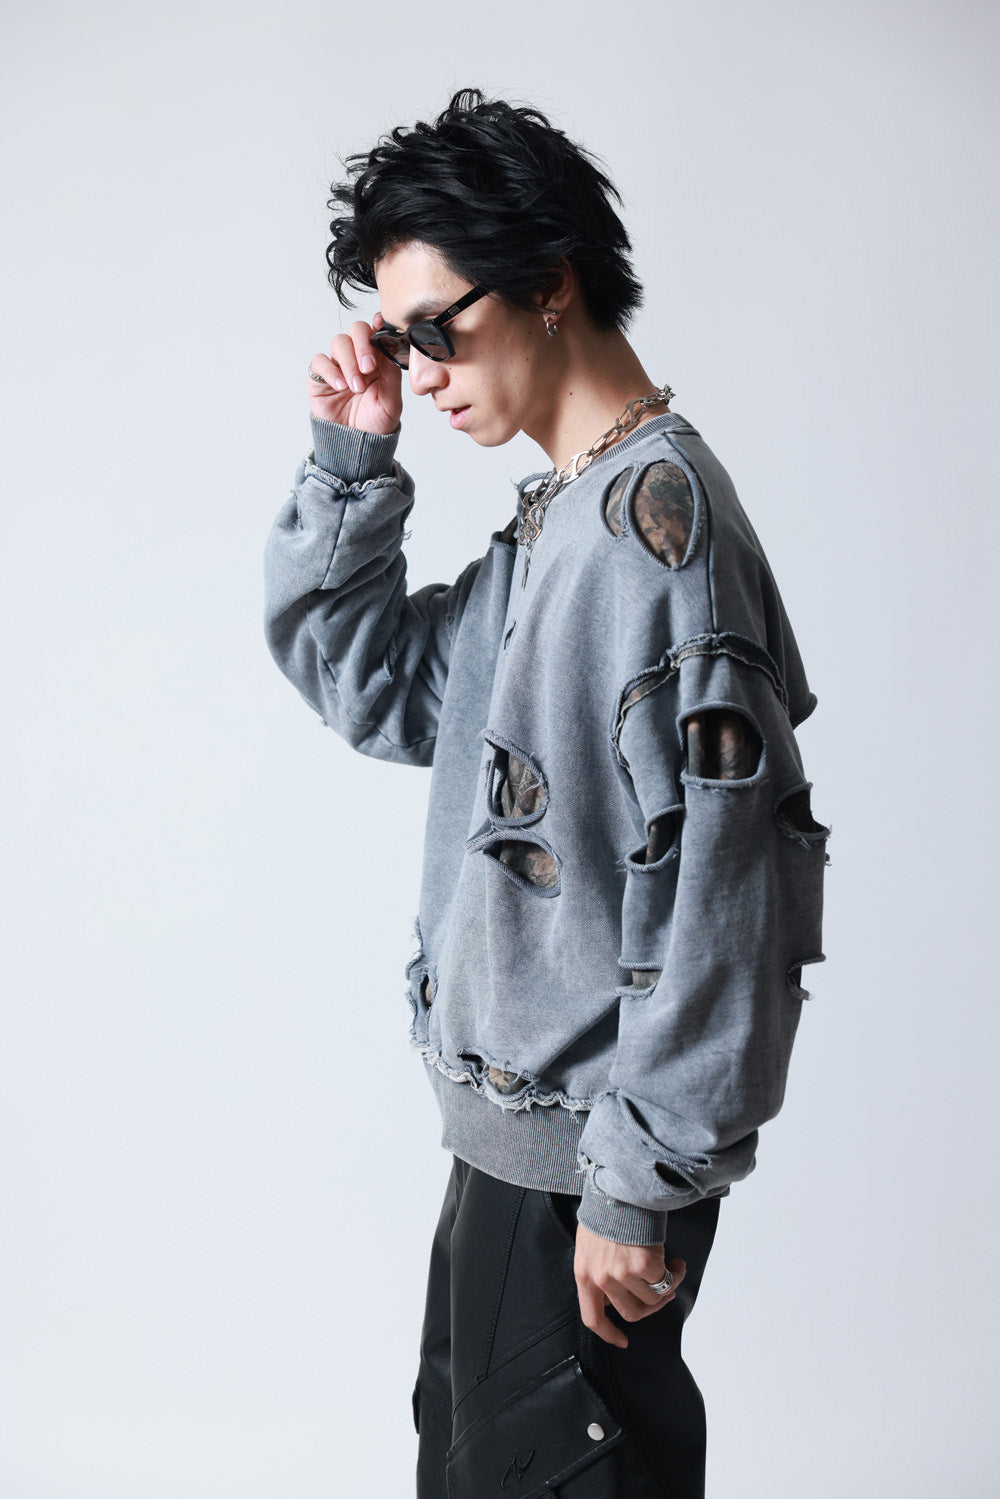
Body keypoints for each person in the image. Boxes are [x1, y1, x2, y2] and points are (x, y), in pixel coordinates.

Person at [264, 89, 828, 1498]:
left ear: (549, 281)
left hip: (590, 1175)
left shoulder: (660, 539)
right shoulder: (563, 521)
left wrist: (638, 1185)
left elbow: (728, 895)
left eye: (437, 329)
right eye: (401, 339)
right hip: (516, 1153)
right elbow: (379, 689)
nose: (422, 370)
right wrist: (353, 456)